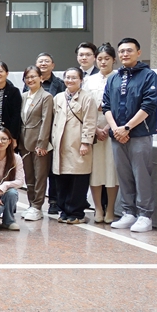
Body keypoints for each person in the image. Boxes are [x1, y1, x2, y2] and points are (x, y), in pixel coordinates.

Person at [104, 38, 157, 233]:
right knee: (124, 175)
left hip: (139, 134)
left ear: (138, 53)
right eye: (122, 51)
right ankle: (129, 212)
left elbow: (149, 105)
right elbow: (106, 106)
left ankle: (145, 215)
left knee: (141, 175)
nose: (125, 54)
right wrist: (116, 129)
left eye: (129, 50)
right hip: (118, 135)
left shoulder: (148, 75)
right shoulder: (114, 78)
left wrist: (127, 128)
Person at [51, 68, 97, 225]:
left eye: (74, 78)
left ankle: (76, 213)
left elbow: (90, 122)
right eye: (67, 77)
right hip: (60, 144)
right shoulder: (58, 97)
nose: (70, 80)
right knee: (61, 178)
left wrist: (86, 142)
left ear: (81, 80)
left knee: (78, 179)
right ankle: (64, 211)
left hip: (77, 143)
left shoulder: (87, 98)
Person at [84, 44, 119, 223]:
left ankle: (110, 209)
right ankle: (98, 208)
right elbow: (85, 107)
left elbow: (122, 106)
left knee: (112, 170)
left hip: (114, 129)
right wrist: (95, 129)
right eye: (100, 59)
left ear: (114, 60)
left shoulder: (119, 78)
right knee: (95, 170)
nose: (103, 62)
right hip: (94, 130)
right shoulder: (89, 80)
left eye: (107, 58)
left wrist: (109, 128)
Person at [19, 65, 54, 222]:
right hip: (24, 142)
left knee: (40, 176)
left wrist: (42, 143)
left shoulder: (46, 97)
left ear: (41, 78)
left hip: (39, 143)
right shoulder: (23, 96)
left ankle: (38, 206)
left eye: (33, 76)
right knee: (29, 176)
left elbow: (46, 121)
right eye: (27, 77)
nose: (30, 80)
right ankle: (31, 204)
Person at [36, 52, 65, 215]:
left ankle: (54, 201)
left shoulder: (60, 84)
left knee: (53, 169)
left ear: (53, 65)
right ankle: (36, 201)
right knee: (39, 169)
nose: (43, 64)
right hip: (35, 131)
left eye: (47, 61)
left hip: (54, 131)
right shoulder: (31, 82)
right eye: (40, 61)